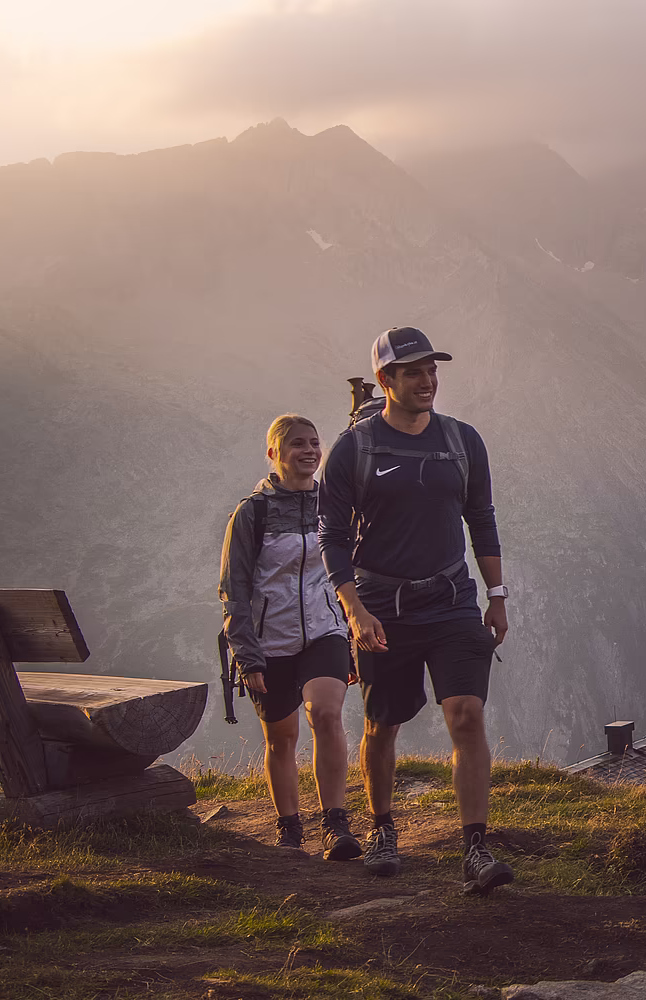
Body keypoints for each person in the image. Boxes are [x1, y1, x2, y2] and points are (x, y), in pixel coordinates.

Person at [318, 326, 513, 894]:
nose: (427, 380)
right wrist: (353, 609)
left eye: (432, 369)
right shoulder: (355, 449)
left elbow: (482, 518)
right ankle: (383, 828)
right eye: (412, 372)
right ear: (385, 380)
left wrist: (496, 595)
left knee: (467, 716)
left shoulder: (462, 440)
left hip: (452, 601)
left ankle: (475, 848)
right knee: (382, 724)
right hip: (382, 609)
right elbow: (331, 534)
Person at [219, 414, 362, 859]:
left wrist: (356, 630)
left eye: (315, 443)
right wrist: (247, 656)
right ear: (274, 453)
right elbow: (233, 589)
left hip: (326, 630)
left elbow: (354, 570)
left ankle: (335, 824)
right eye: (298, 443)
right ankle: (289, 828)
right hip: (269, 641)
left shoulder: (335, 504)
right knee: (281, 738)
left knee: (326, 713)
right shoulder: (252, 513)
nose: (310, 451)